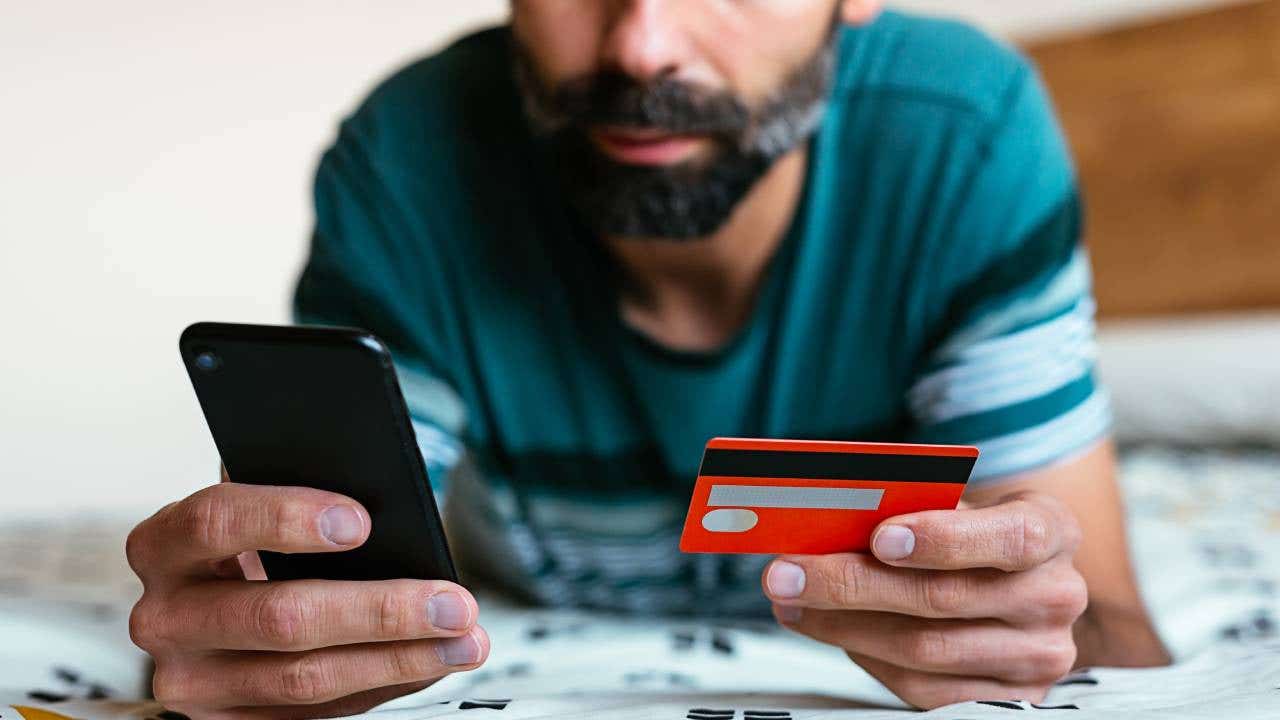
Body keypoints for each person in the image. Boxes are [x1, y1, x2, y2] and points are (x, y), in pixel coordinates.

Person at [125, 1, 1172, 716]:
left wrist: (1033, 633)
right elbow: (304, 588)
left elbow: (1107, 632)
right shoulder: (407, 160)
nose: (641, 47)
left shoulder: (965, 137)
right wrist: (254, 638)